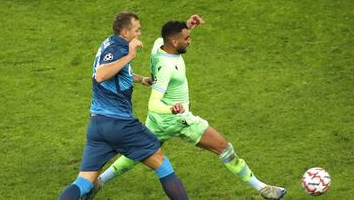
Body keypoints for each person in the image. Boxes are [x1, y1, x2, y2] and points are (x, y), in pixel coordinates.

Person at [86, 15, 287, 200]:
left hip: (158, 122)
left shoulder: (159, 45)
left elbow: (168, 36)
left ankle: (99, 182)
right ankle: (262, 188)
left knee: (139, 152)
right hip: (177, 119)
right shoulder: (167, 68)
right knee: (224, 148)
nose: (189, 40)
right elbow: (154, 103)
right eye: (187, 38)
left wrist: (187, 26)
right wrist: (173, 110)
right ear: (175, 42)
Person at [58, 11, 189, 200]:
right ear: (125, 32)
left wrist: (139, 79)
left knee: (84, 182)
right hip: (120, 124)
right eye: (137, 30)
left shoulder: (109, 43)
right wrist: (131, 54)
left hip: (98, 125)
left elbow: (116, 70)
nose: (139, 34)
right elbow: (101, 75)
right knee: (162, 164)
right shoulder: (121, 50)